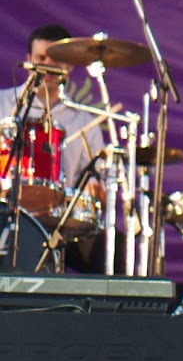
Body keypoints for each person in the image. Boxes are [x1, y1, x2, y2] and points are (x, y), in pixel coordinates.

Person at [2, 23, 109, 271]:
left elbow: (98, 177)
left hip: (60, 221)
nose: (48, 66)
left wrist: (97, 188)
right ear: (28, 60)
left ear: (70, 65)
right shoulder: (3, 103)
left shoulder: (84, 121)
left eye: (56, 59)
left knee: (107, 250)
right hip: (5, 211)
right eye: (41, 58)